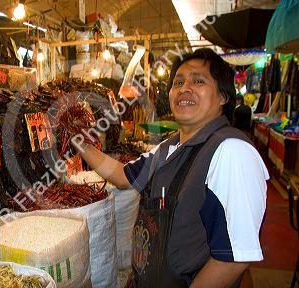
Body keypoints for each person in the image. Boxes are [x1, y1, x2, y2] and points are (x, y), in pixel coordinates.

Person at [73, 48, 268, 288]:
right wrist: (79, 143)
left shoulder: (231, 152)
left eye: (198, 81)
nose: (185, 88)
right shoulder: (169, 148)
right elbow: (123, 176)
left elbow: (234, 258)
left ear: (223, 97)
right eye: (178, 82)